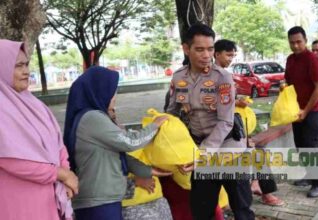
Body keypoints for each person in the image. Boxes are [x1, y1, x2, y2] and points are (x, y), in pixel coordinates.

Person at [166, 24, 255, 220]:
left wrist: (202, 154)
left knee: (242, 208)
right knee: (201, 209)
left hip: (228, 150)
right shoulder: (179, 77)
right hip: (200, 149)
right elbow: (172, 112)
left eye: (210, 49)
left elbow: (225, 121)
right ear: (186, 49)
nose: (206, 55)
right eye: (199, 49)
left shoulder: (222, 77)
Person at [63, 66, 169, 220]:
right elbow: (130, 142)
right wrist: (155, 126)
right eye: (112, 91)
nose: (114, 97)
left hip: (103, 200)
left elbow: (118, 154)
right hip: (98, 202)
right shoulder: (92, 118)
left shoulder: (93, 117)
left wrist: (147, 170)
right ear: (99, 90)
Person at [0, 39, 78, 220]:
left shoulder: (35, 104)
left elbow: (58, 144)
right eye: (18, 66)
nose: (26, 71)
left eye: (26, 65)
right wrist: (61, 174)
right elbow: (9, 160)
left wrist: (65, 174)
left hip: (49, 199)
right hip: (18, 202)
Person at [214, 39, 284, 206]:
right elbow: (213, 103)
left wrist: (238, 99)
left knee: (256, 151)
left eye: (233, 55)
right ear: (216, 54)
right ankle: (257, 190)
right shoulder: (209, 76)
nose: (230, 59)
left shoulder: (224, 74)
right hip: (219, 131)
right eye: (228, 55)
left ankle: (262, 189)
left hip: (234, 125)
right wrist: (236, 102)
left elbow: (226, 98)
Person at [284, 26, 318, 198]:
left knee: (311, 145)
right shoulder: (290, 59)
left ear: (305, 41)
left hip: (312, 110)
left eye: (299, 42)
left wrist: (306, 110)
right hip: (296, 110)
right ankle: (309, 175)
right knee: (300, 145)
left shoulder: (312, 59)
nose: (295, 46)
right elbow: (289, 82)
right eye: (292, 43)